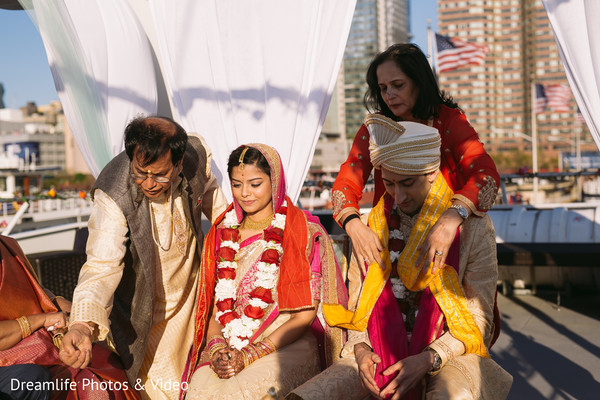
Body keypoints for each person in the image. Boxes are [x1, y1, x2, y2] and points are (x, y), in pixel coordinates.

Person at [324, 114, 512, 400]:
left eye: (408, 183)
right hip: (377, 350)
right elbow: (356, 309)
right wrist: (361, 351)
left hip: (448, 353)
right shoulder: (372, 225)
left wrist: (429, 359)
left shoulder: (473, 228)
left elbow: (479, 320)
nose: (398, 196)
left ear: (432, 173)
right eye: (389, 183)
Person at [59, 116, 228, 399]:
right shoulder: (114, 193)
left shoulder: (194, 158)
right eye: (140, 172)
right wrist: (81, 324)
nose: (149, 183)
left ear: (178, 163)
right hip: (144, 315)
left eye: (161, 175)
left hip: (193, 299)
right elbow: (101, 265)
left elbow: (220, 212)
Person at [184, 144, 348, 399]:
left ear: (275, 181)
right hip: (229, 341)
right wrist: (216, 349)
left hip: (287, 342)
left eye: (255, 183)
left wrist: (250, 354)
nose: (244, 193)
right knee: (198, 390)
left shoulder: (303, 232)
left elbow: (304, 316)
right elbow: (216, 308)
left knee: (239, 393)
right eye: (237, 185)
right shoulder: (221, 233)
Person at [332, 43, 500, 274]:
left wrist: (453, 216)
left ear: (419, 82)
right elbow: (347, 181)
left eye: (398, 85)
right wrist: (354, 225)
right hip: (390, 237)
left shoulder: (449, 121)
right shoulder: (376, 128)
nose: (389, 94)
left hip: (445, 237)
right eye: (382, 88)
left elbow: (486, 175)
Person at [0, 235, 138, 400]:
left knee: (108, 360)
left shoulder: (6, 244)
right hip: (14, 355)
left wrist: (77, 314)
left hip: (38, 342)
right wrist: (42, 320)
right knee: (34, 379)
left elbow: (36, 291)